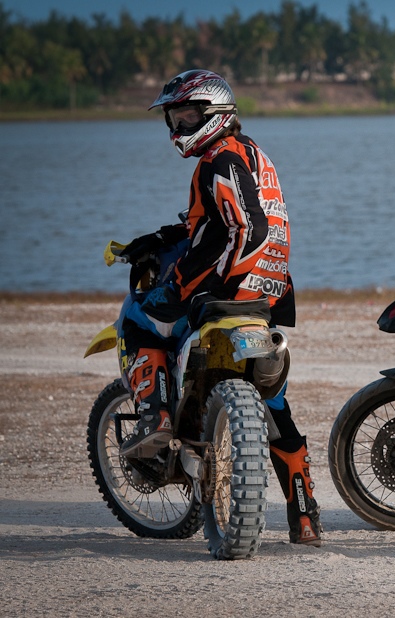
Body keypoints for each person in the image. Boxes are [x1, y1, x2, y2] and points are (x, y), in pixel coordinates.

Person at [117, 69, 322, 547]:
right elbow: (215, 223)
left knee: (140, 321)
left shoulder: (217, 160)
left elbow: (246, 227)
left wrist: (204, 285)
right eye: (174, 117)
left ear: (215, 115)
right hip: (269, 295)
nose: (178, 127)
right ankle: (305, 515)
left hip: (229, 290)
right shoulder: (252, 152)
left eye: (188, 116)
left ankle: (157, 423)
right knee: (274, 402)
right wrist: (165, 237)